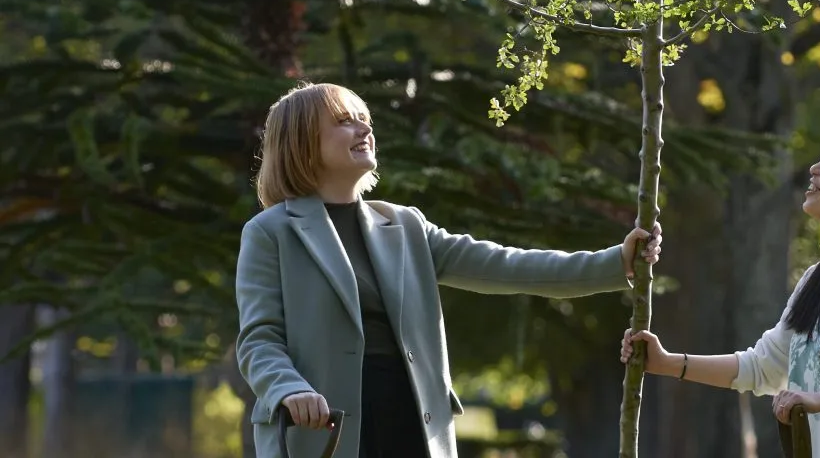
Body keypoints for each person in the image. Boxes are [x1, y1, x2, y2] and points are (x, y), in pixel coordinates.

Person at [237, 81, 662, 458]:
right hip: (325, 432)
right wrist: (289, 388)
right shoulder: (270, 232)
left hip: (413, 423)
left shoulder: (405, 225)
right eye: (345, 121)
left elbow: (509, 266)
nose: (364, 128)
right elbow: (259, 340)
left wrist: (615, 262)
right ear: (302, 142)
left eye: (365, 119)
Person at [621, 120, 820, 458]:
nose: (815, 168)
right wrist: (667, 363)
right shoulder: (816, 282)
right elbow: (763, 367)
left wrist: (819, 401)